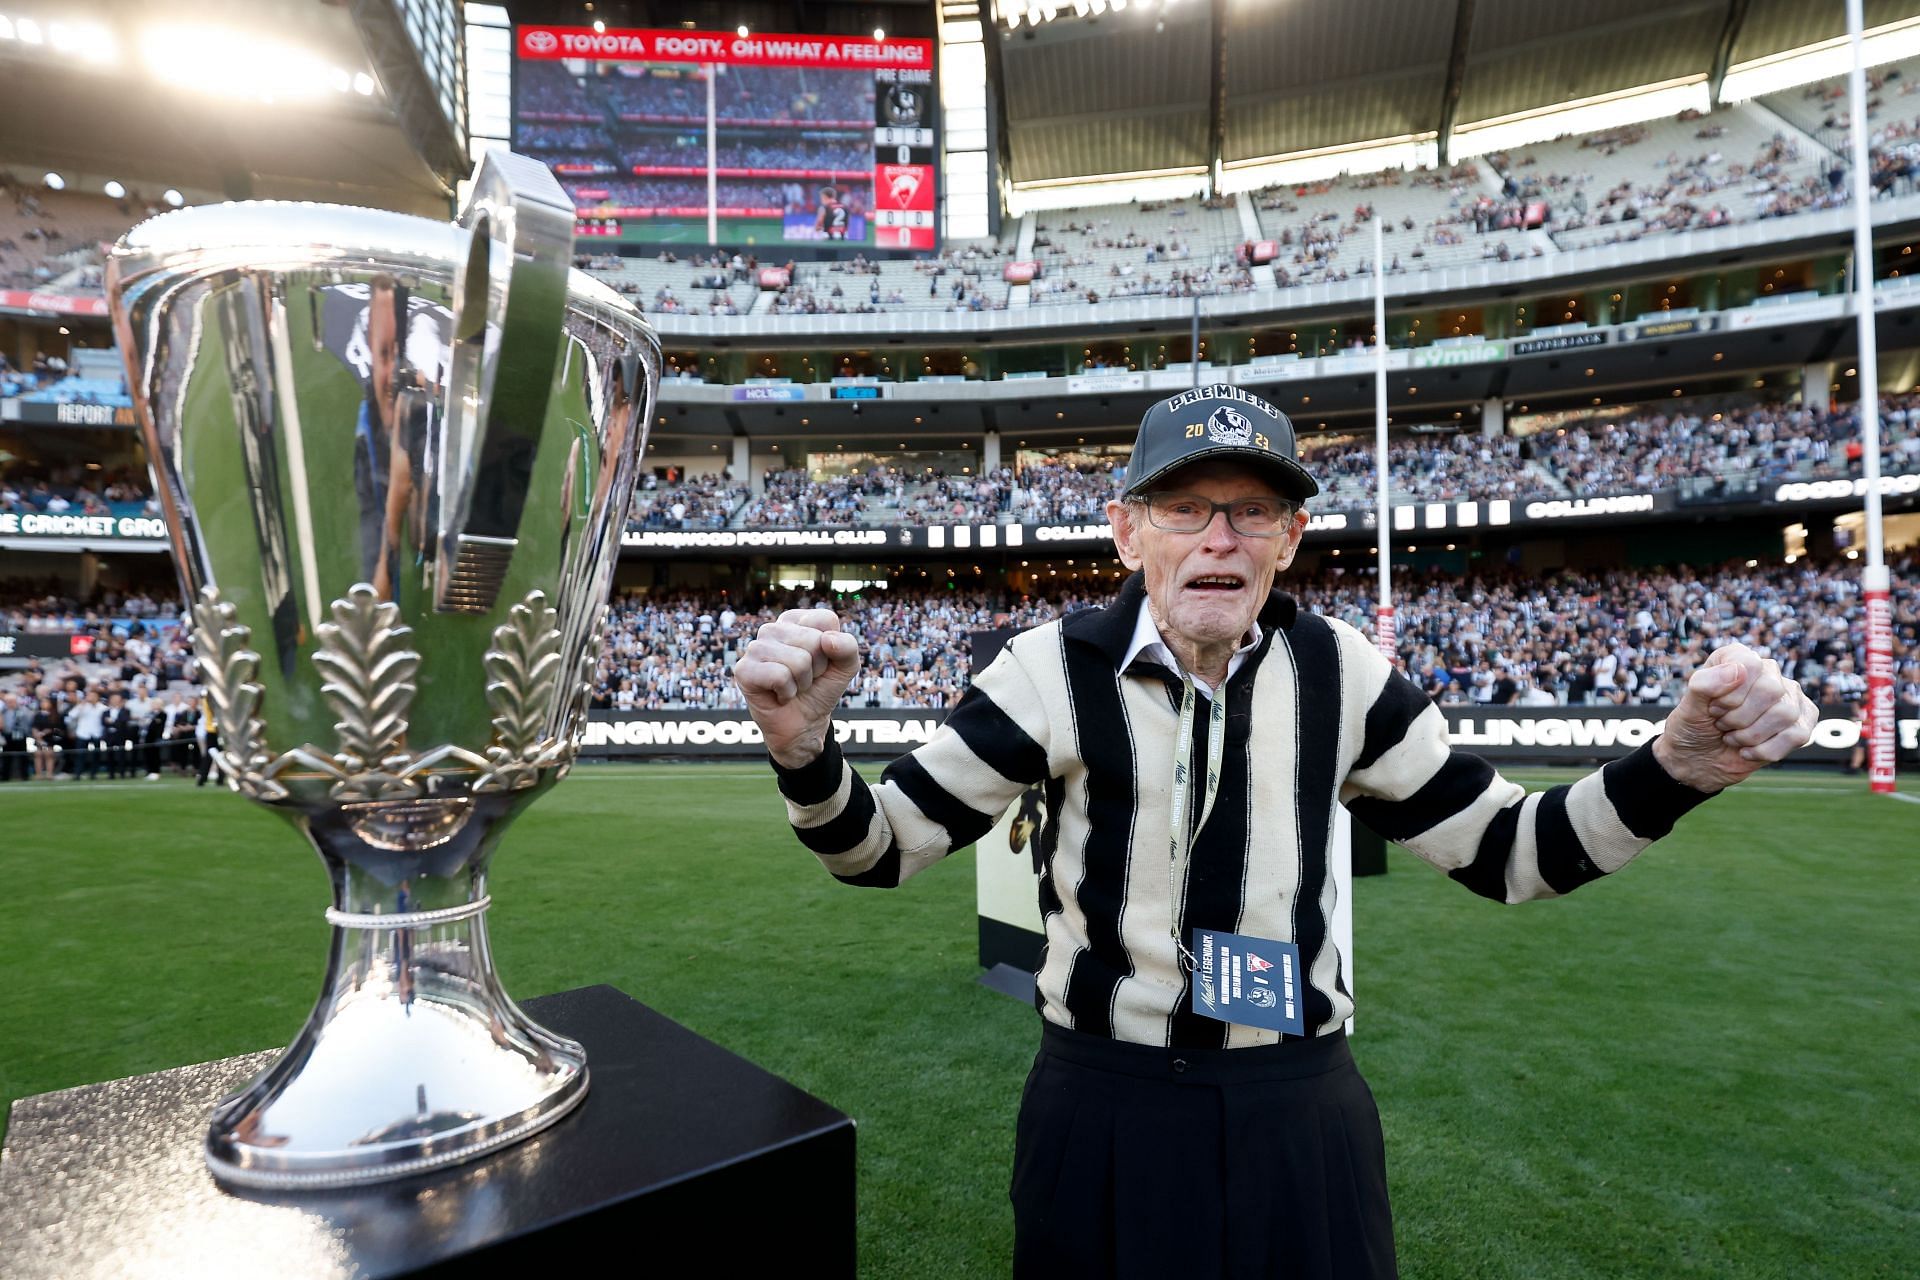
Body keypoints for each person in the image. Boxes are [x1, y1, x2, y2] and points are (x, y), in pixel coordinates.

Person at [733, 386, 1820, 1280]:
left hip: (1297, 1104)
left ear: (1290, 538)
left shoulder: (1342, 672)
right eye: (1184, 506)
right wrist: (803, 747)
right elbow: (878, 849)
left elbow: (1511, 852)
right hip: (1103, 1103)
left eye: (1252, 509)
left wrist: (1673, 766)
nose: (1219, 535)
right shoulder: (1045, 669)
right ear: (1127, 530)